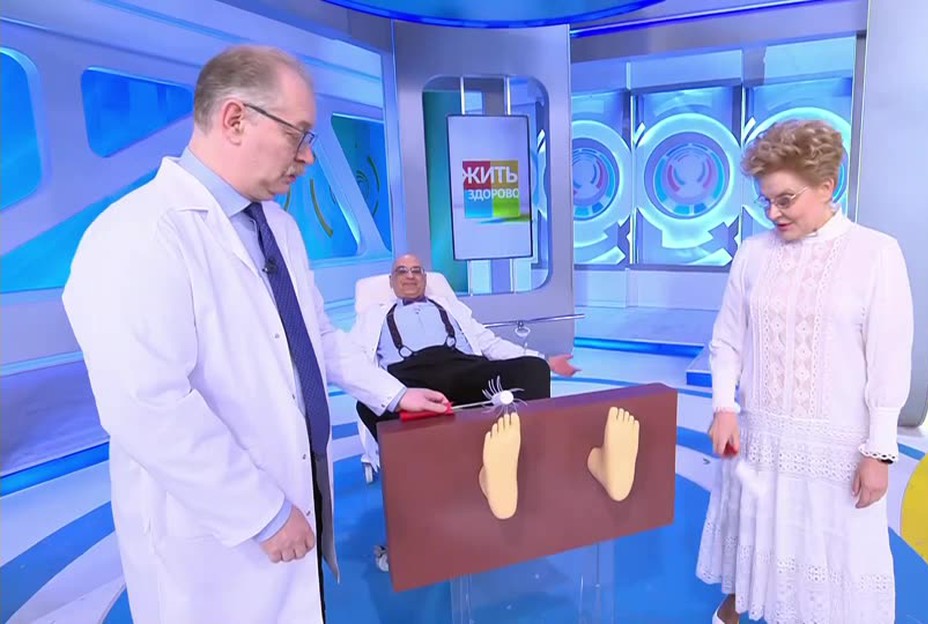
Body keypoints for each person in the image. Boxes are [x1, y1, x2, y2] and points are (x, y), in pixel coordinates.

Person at [61, 45, 448, 624]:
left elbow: (315, 336)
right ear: (235, 119)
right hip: (217, 540)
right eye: (298, 135)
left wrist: (393, 393)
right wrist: (260, 514)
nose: (308, 156)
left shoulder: (279, 227)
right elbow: (147, 405)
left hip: (294, 491)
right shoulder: (137, 235)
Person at [696, 119, 913, 624]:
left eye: (786, 200)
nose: (773, 213)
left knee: (829, 558)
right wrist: (724, 407)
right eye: (766, 201)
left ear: (826, 187)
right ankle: (738, 609)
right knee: (755, 543)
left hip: (837, 449)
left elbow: (889, 358)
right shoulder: (753, 253)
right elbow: (727, 339)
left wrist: (879, 452)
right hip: (760, 438)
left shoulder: (876, 254)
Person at [351, 253, 580, 469]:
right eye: (402, 271)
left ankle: (530, 451)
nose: (410, 276)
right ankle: (412, 470)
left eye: (416, 271)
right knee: (369, 405)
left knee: (534, 369)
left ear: (425, 278)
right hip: (411, 379)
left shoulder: (451, 307)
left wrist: (546, 360)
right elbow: (356, 360)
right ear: (391, 282)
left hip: (464, 369)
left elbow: (490, 343)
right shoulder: (372, 316)